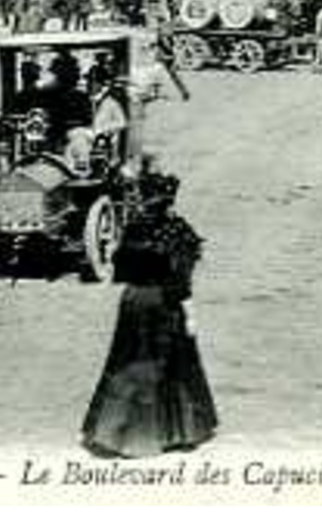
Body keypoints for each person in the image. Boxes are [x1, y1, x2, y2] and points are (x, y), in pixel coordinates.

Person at [82, 160, 217, 458]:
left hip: (132, 302)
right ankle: (174, 431)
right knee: (173, 365)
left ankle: (115, 433)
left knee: (126, 364)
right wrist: (190, 311)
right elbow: (180, 277)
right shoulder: (176, 230)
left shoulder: (133, 229)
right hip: (164, 303)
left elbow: (118, 269)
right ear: (169, 201)